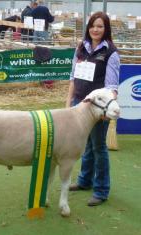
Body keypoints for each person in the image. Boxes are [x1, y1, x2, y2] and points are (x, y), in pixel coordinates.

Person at [66, 12, 120, 206]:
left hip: (97, 108)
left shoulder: (111, 52)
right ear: (88, 27)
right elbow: (73, 77)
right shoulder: (81, 47)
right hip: (79, 104)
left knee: (98, 147)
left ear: (106, 29)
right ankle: (84, 181)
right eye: (92, 26)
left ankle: (101, 190)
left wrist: (106, 109)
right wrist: (69, 102)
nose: (95, 30)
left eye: (100, 26)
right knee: (85, 145)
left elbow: (112, 87)